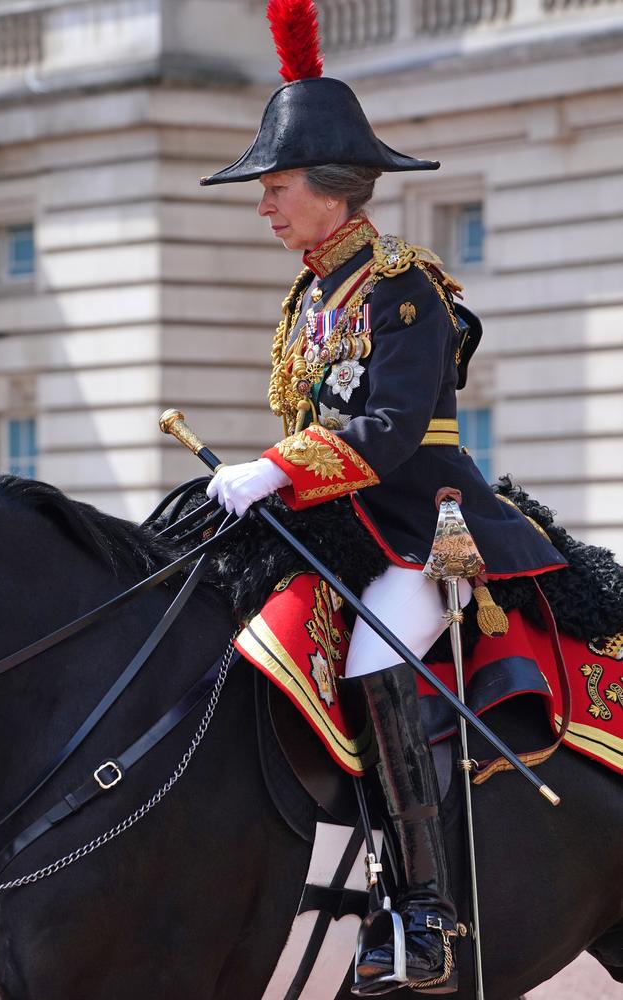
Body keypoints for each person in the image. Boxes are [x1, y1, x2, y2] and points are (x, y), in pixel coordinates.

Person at [203, 1, 568, 993]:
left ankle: (421, 909)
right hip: (333, 524)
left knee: (374, 656)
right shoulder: (310, 295)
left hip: (419, 529)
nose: (264, 208)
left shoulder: (402, 288)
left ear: (329, 193)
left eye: (275, 189)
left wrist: (276, 470)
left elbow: (388, 431)